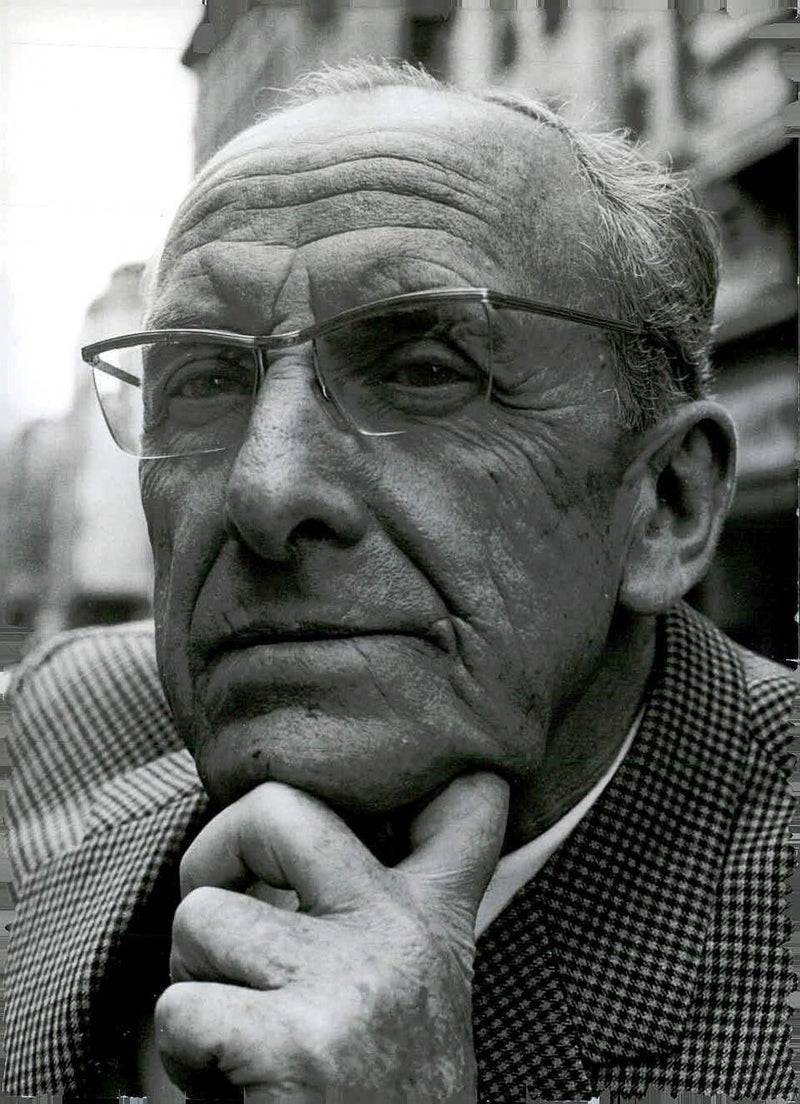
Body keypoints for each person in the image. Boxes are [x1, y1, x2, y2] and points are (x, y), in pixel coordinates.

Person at [4, 61, 796, 1102]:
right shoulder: (55, 723)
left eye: (425, 369)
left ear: (664, 507)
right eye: (201, 381)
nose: (264, 488)